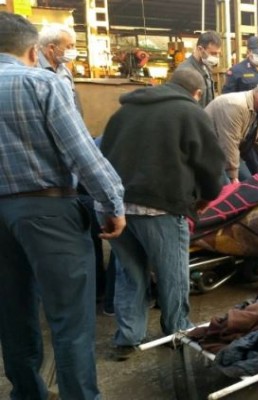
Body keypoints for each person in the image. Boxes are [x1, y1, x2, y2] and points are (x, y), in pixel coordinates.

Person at [0, 12, 126, 400]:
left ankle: (27, 393)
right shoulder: (42, 82)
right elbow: (82, 153)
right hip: (48, 211)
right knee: (70, 318)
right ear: (32, 50)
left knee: (13, 311)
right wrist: (112, 203)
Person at [98, 68, 225, 360]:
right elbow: (211, 164)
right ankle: (177, 331)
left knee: (129, 272)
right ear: (197, 93)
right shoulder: (190, 112)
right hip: (159, 206)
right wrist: (207, 196)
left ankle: (128, 338)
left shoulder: (124, 111)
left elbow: (103, 152)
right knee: (172, 274)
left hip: (115, 206)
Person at [205, 80, 258, 182]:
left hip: (230, 148)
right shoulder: (234, 105)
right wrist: (233, 177)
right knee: (234, 186)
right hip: (211, 151)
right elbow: (229, 142)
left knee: (251, 181)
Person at [38, 23, 82, 113]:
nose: (73, 50)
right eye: (69, 46)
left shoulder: (64, 70)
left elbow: (73, 100)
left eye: (74, 46)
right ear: (51, 48)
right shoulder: (33, 69)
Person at [177, 31, 222, 108]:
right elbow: (182, 104)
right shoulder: (185, 71)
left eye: (218, 53)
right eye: (213, 53)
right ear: (200, 49)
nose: (216, 57)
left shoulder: (206, 67)